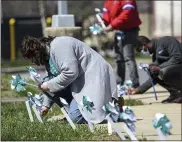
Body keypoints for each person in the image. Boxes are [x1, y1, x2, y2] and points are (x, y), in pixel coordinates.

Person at [21, 36, 118, 124]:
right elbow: (52, 79)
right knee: (47, 82)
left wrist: (48, 85)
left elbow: (70, 73)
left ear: (36, 52)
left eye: (32, 58)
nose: (33, 62)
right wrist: (45, 106)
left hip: (93, 77)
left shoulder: (59, 46)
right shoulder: (47, 56)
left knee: (76, 117)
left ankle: (106, 110)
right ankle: (73, 110)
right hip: (80, 81)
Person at [129, 36, 182, 103]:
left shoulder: (166, 41)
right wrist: (139, 89)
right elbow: (153, 79)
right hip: (176, 69)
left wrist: (160, 67)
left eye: (142, 50)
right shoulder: (155, 56)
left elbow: (177, 57)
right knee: (153, 71)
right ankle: (175, 93)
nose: (143, 52)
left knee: (164, 71)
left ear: (144, 45)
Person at [101, 0, 142, 88]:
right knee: (118, 57)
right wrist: (104, 22)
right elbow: (106, 12)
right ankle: (119, 83)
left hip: (130, 29)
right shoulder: (109, 1)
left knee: (128, 57)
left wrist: (112, 25)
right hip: (118, 29)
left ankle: (134, 84)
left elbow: (127, 13)